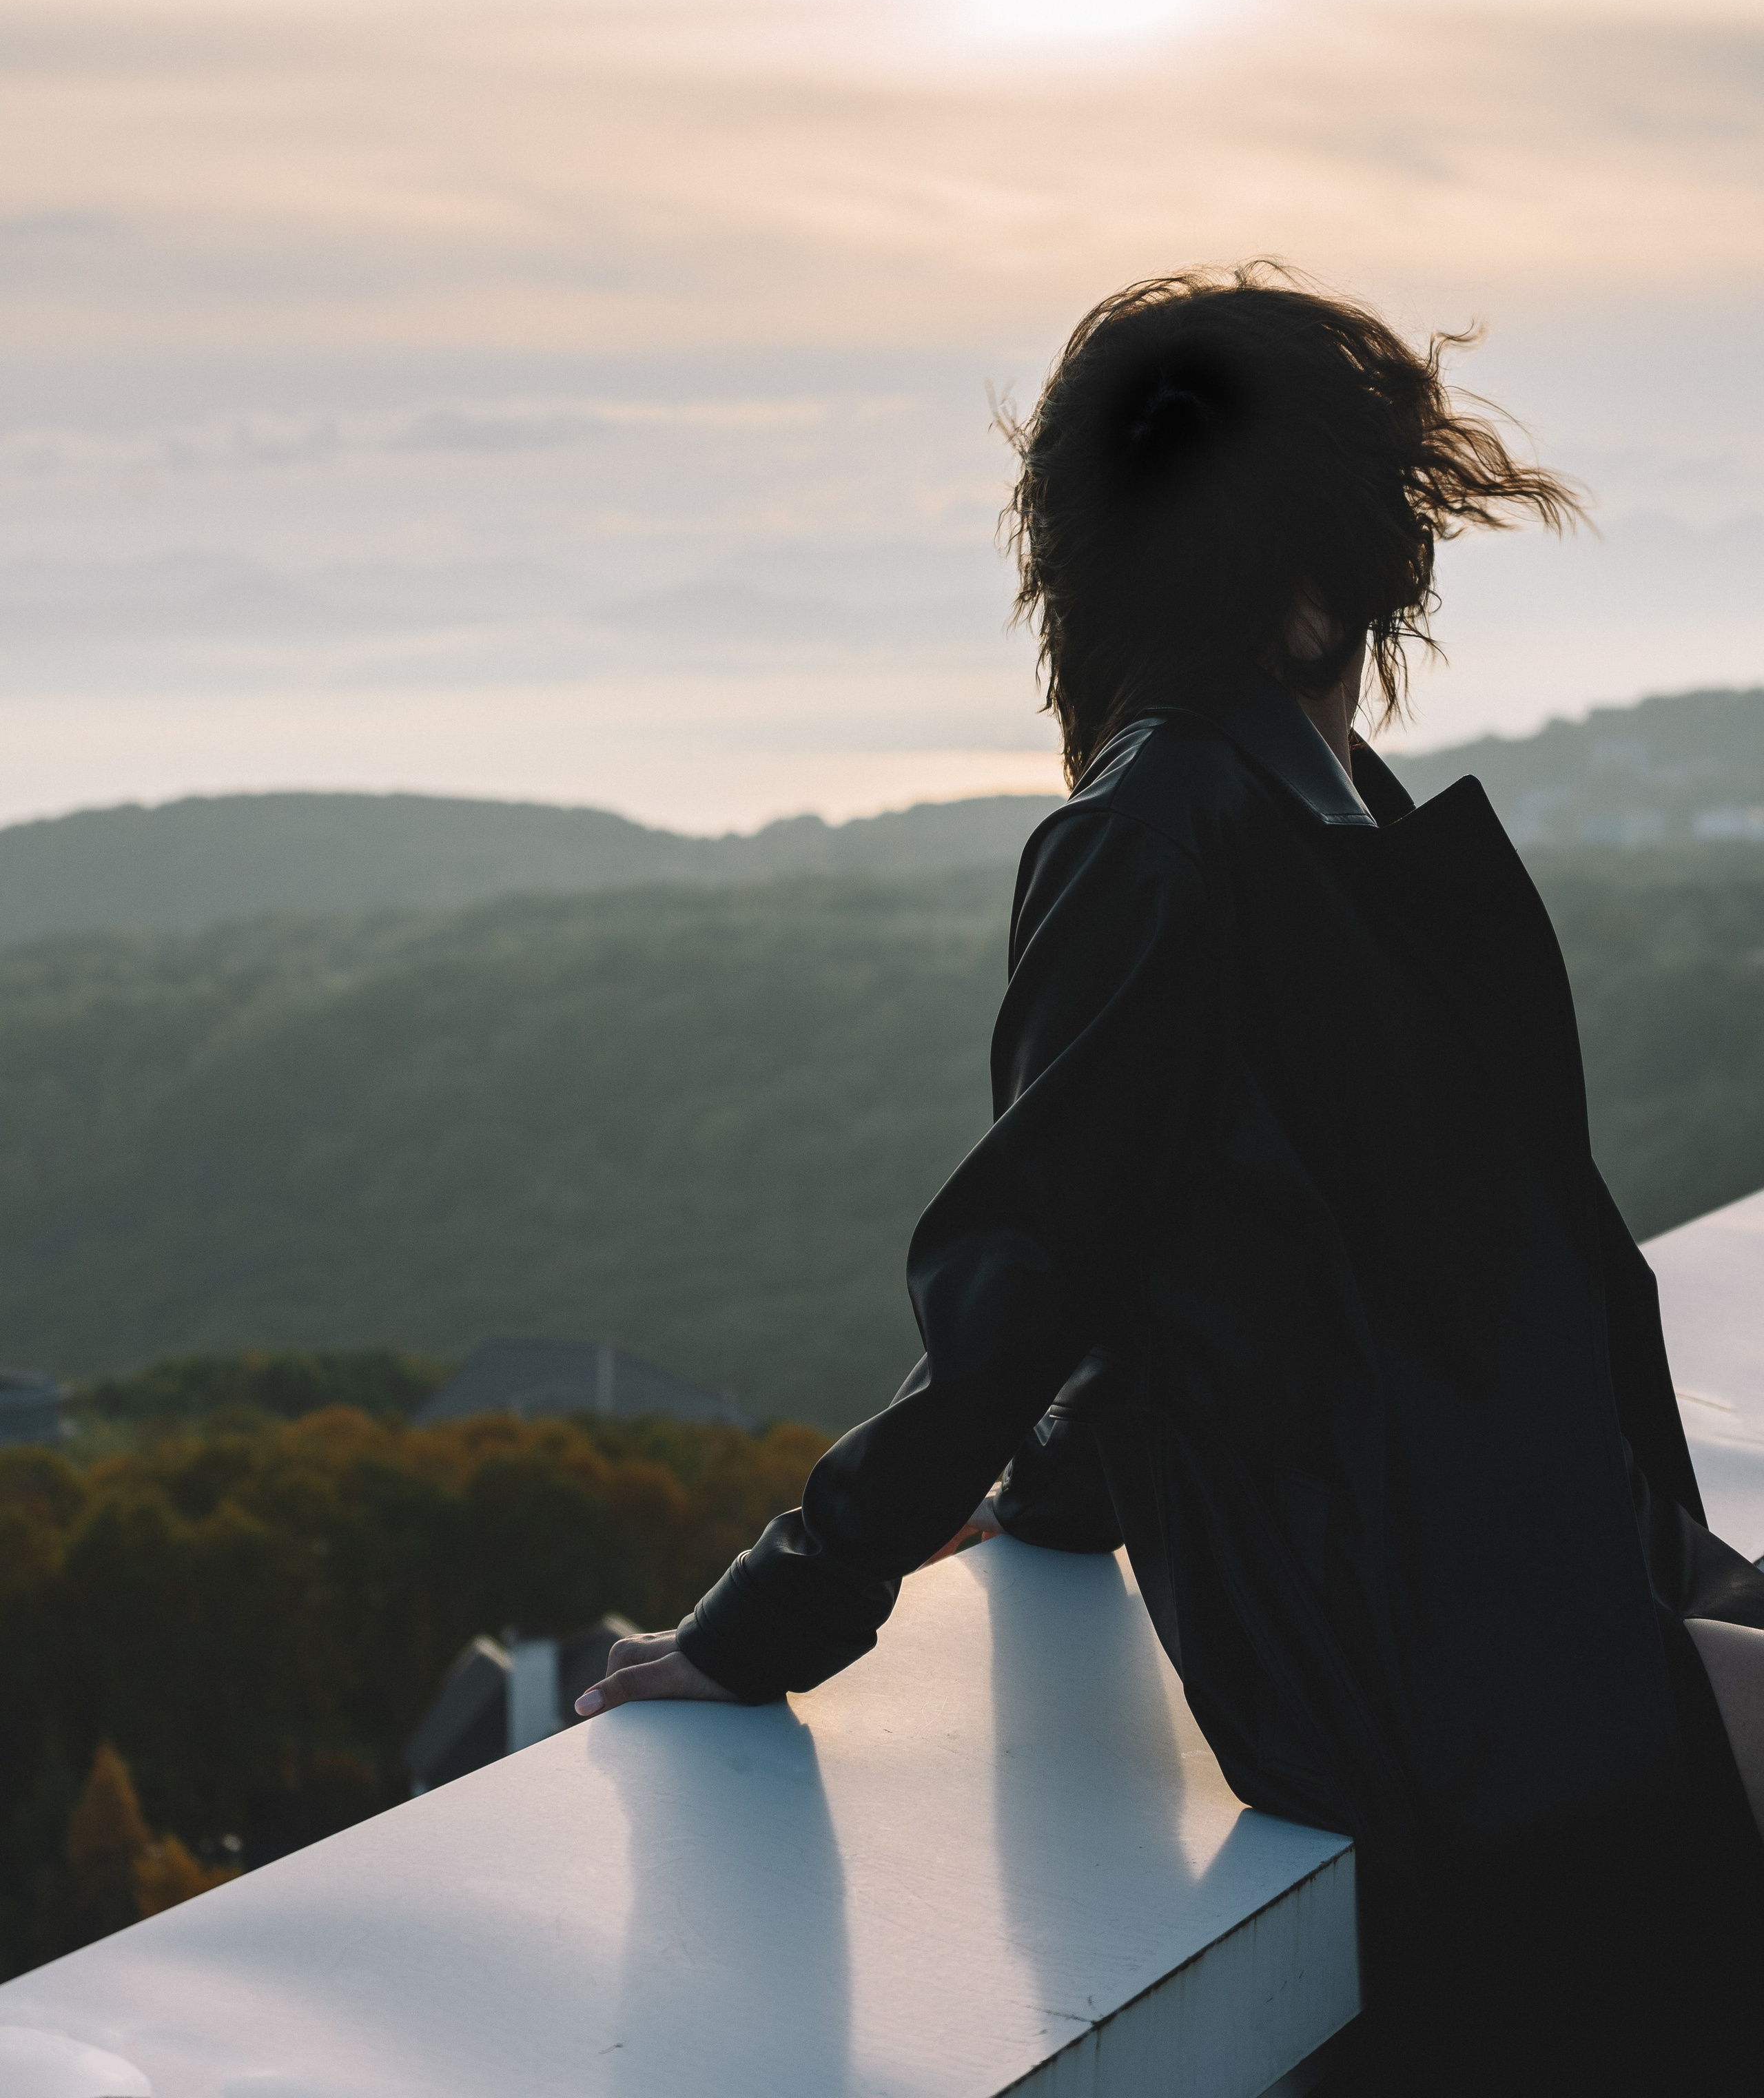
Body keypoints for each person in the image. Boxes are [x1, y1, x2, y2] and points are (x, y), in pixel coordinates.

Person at [579, 266, 1764, 2092]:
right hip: (1533, 1624)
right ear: (1319, 572)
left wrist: (770, 1620)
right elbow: (1222, 1262)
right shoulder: (1349, 818)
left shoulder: (1158, 825)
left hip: (1426, 1671)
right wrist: (1029, 1502)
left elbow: (1038, 1276)